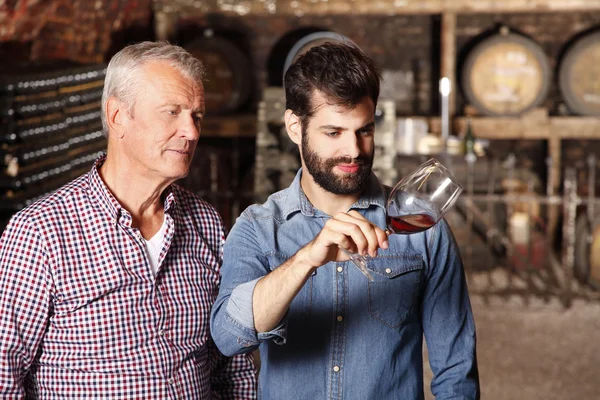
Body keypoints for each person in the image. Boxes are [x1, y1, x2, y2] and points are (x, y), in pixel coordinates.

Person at [210, 42, 479, 399]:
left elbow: (456, 371)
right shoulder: (258, 228)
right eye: (334, 133)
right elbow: (229, 338)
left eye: (364, 130)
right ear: (295, 127)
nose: (353, 150)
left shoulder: (424, 232)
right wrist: (307, 259)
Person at [0, 41, 256, 398]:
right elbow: (3, 376)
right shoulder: (40, 232)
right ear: (118, 116)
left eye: (196, 116)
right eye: (172, 112)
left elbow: (231, 365)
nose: (192, 132)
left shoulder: (206, 223)